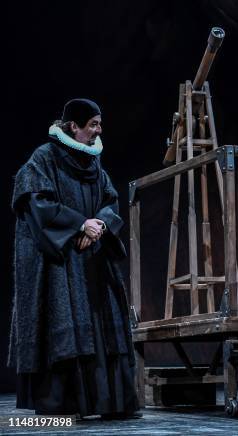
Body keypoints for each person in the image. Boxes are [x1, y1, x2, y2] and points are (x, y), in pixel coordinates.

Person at [9, 98, 139, 418]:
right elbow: (36, 202)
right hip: (61, 262)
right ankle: (65, 405)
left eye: (99, 124)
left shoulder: (94, 165)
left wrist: (101, 224)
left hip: (92, 260)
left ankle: (110, 403)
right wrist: (79, 224)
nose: (98, 130)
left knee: (103, 327)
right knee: (65, 328)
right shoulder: (44, 158)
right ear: (73, 127)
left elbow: (110, 200)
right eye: (92, 124)